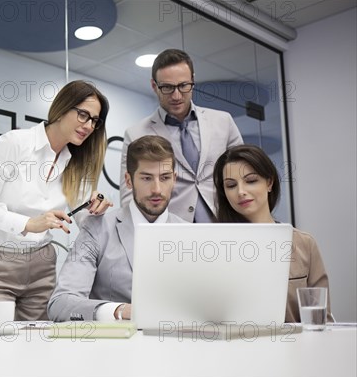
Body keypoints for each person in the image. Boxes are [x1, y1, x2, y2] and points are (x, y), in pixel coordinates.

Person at [0, 80, 114, 321]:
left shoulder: (74, 162)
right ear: (62, 108)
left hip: (42, 266)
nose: (88, 126)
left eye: (94, 121)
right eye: (83, 115)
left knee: (37, 351)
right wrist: (28, 223)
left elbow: (83, 218)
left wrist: (96, 207)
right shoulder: (14, 143)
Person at [48, 135, 186, 322]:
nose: (157, 189)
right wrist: (118, 311)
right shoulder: (97, 228)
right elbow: (60, 304)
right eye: (146, 178)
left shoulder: (189, 234)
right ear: (128, 181)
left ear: (174, 179)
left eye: (165, 178)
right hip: (113, 347)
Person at [213, 144, 333, 323]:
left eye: (251, 180)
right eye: (231, 185)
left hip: (297, 349)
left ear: (269, 183)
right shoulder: (215, 248)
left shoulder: (304, 244)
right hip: (238, 348)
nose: (241, 192)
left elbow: (322, 321)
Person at [120, 48, 243, 223]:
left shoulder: (223, 121)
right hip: (171, 234)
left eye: (184, 86)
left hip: (223, 224)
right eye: (167, 88)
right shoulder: (136, 134)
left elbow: (243, 176)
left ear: (193, 80)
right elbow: (129, 197)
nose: (176, 95)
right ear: (154, 86)